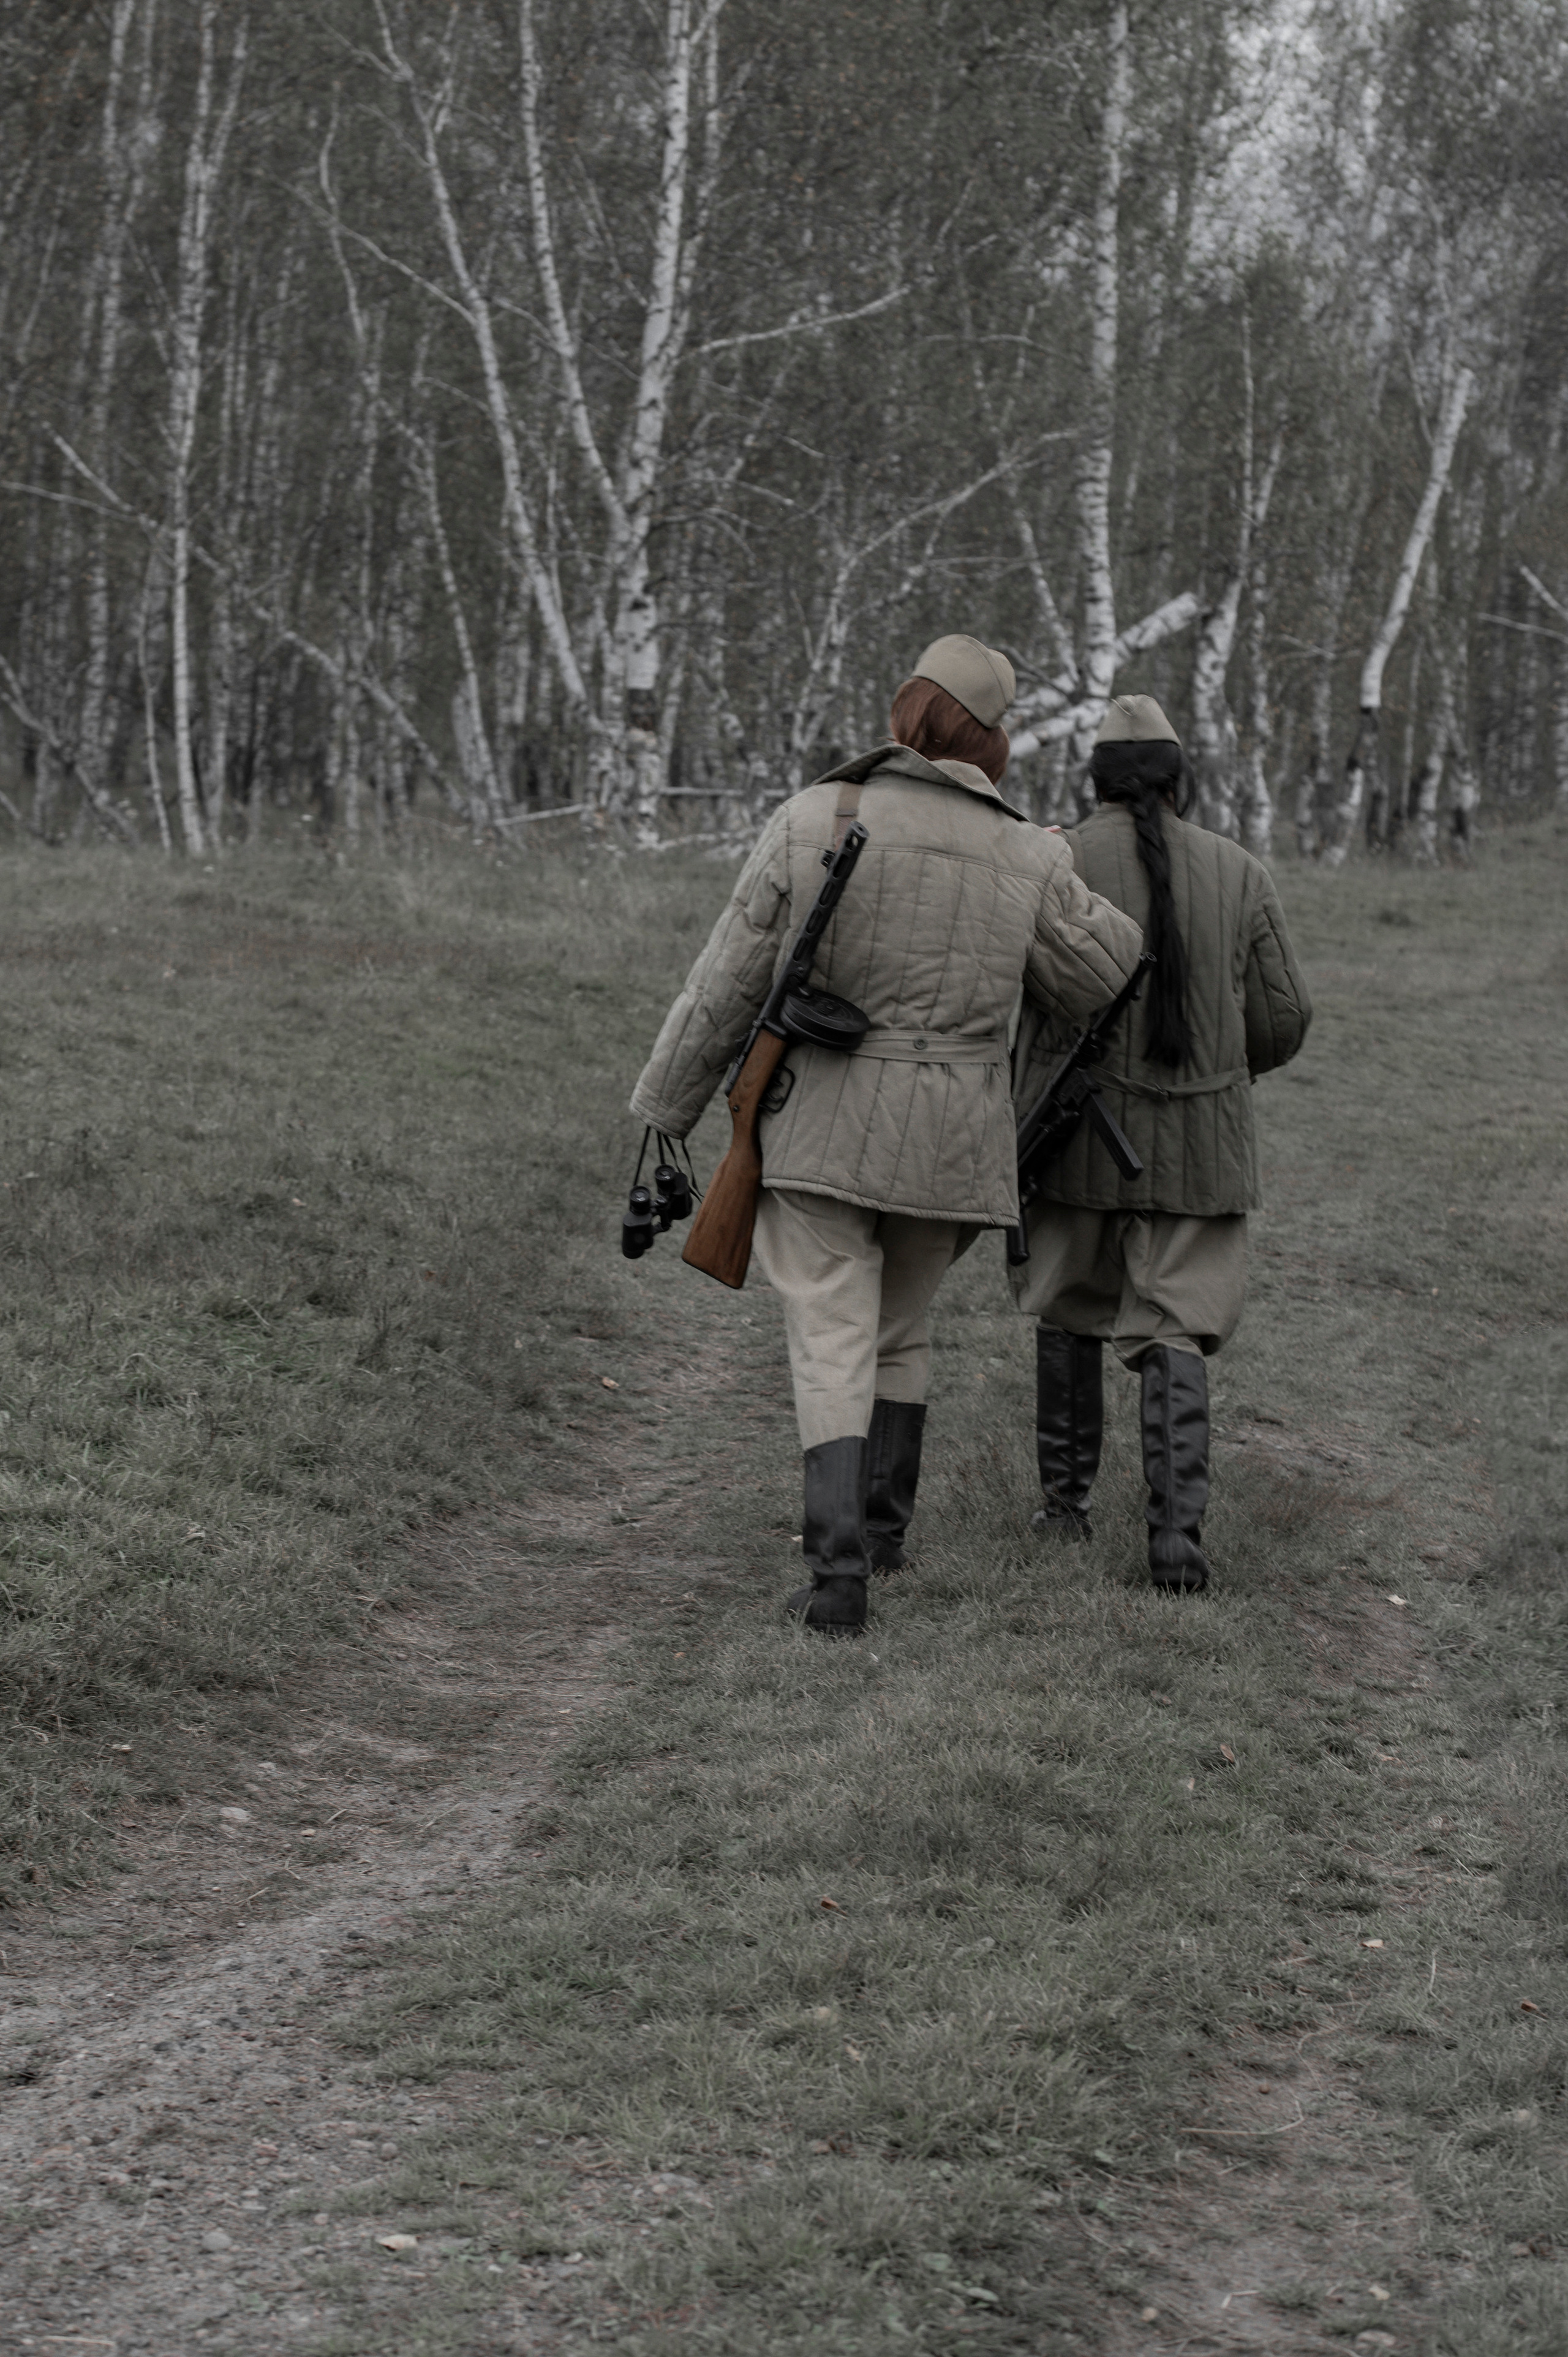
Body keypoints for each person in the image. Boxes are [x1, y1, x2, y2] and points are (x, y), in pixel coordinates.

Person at [628, 636, 1144, 1635]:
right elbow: (1105, 971)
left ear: (909, 717)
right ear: (990, 741)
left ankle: (836, 1577)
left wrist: (666, 1110)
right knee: (903, 1331)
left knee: (832, 1333)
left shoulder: (820, 816)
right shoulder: (1028, 852)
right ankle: (886, 1537)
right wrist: (1056, 860)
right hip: (956, 1139)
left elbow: (725, 983)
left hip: (825, 1122)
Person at [1010, 693, 1311, 1591]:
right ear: (1180, 780)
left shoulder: (1053, 858)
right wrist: (1221, 1071)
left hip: (1073, 1135)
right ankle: (1177, 1541)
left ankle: (1065, 1508)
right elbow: (1284, 1016)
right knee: (1176, 1329)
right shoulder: (1241, 868)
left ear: (1093, 779)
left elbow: (1018, 997)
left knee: (1067, 1306)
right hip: (1203, 1142)